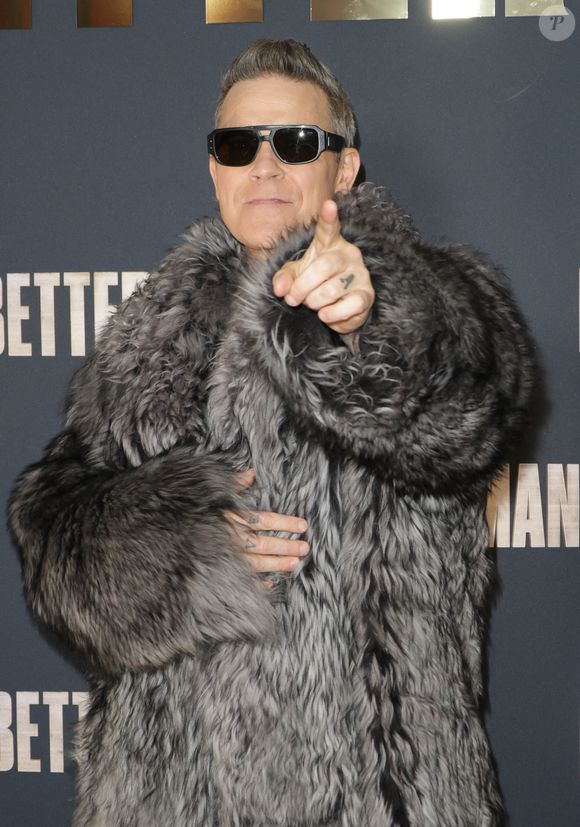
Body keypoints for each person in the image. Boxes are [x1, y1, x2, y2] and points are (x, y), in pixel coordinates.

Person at [8, 38, 534, 827]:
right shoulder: (144, 341)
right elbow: (52, 532)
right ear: (214, 168)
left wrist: (369, 324)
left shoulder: (434, 301)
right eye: (236, 144)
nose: (263, 164)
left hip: (380, 794)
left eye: (295, 142)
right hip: (169, 802)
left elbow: (471, 415)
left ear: (344, 169)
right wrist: (180, 551)